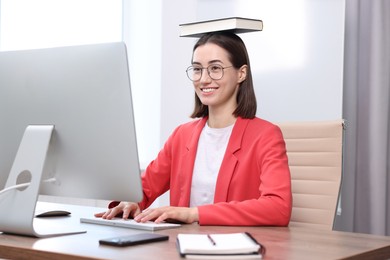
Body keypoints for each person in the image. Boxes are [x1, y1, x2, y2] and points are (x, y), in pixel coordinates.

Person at [95, 31, 292, 226]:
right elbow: (144, 189)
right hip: (182, 247)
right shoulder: (183, 135)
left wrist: (194, 214)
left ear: (241, 73)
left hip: (234, 248)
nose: (204, 79)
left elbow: (278, 207)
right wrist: (130, 202)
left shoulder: (265, 135)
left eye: (215, 68)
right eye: (197, 69)